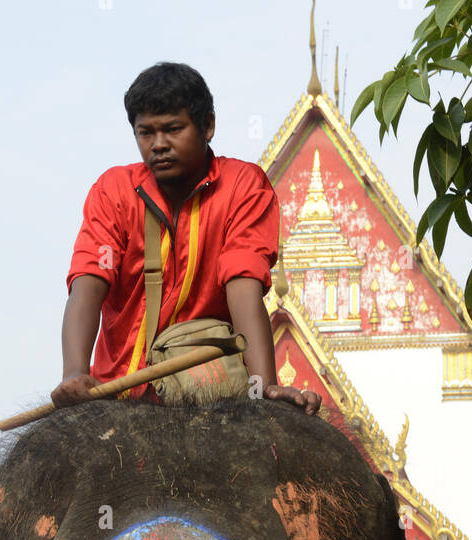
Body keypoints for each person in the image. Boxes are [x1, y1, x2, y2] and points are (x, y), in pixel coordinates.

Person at [51, 62, 320, 415]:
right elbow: (88, 282)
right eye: (145, 133)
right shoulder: (113, 193)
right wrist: (75, 373)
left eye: (173, 129)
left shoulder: (243, 187)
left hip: (211, 395)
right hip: (119, 393)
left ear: (207, 126)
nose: (158, 145)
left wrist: (263, 385)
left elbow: (244, 284)